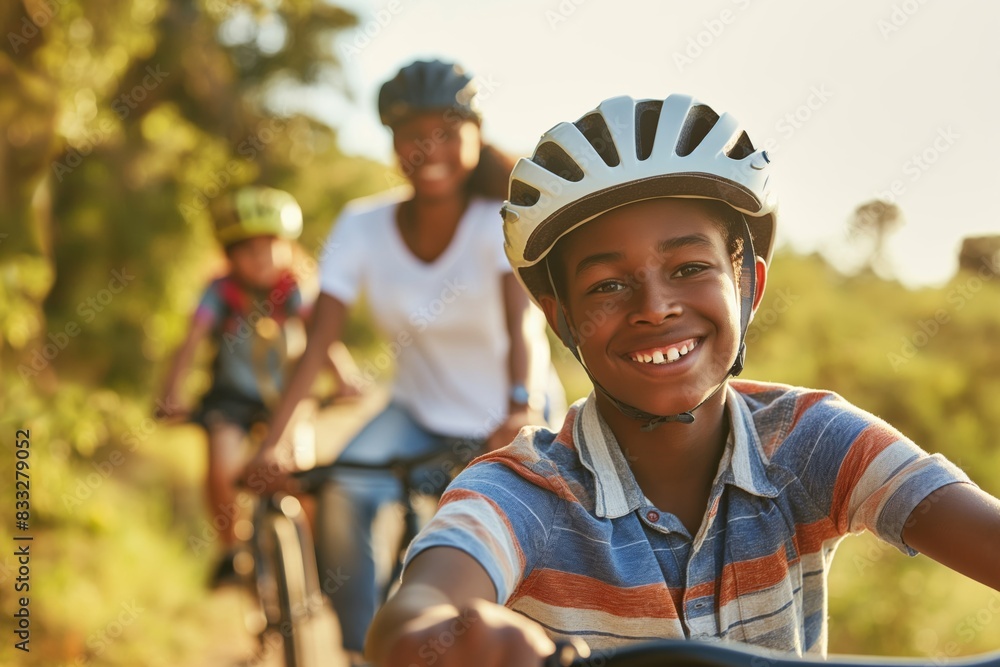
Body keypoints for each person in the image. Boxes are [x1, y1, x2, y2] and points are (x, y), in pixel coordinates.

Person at [366, 94, 1000, 665]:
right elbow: (414, 613)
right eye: (607, 285)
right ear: (562, 321)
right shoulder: (524, 493)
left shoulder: (811, 441)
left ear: (750, 285)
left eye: (690, 266)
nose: (653, 306)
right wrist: (445, 638)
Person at [242, 60, 564, 661]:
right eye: (412, 134)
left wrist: (518, 409)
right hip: (416, 411)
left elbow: (523, 322)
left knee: (524, 528)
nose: (429, 147)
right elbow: (319, 341)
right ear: (392, 143)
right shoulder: (362, 225)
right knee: (344, 494)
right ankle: (366, 650)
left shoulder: (497, 221)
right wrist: (276, 439)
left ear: (475, 135)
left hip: (511, 410)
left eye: (446, 131)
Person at [157, 185, 361, 585]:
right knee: (221, 465)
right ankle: (231, 550)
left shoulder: (296, 287)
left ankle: (320, 559)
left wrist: (345, 378)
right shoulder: (220, 292)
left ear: (288, 247)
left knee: (300, 473)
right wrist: (170, 395)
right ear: (229, 254)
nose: (262, 256)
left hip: (288, 399)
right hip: (230, 399)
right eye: (249, 249)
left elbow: (321, 337)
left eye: (271, 245)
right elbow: (192, 340)